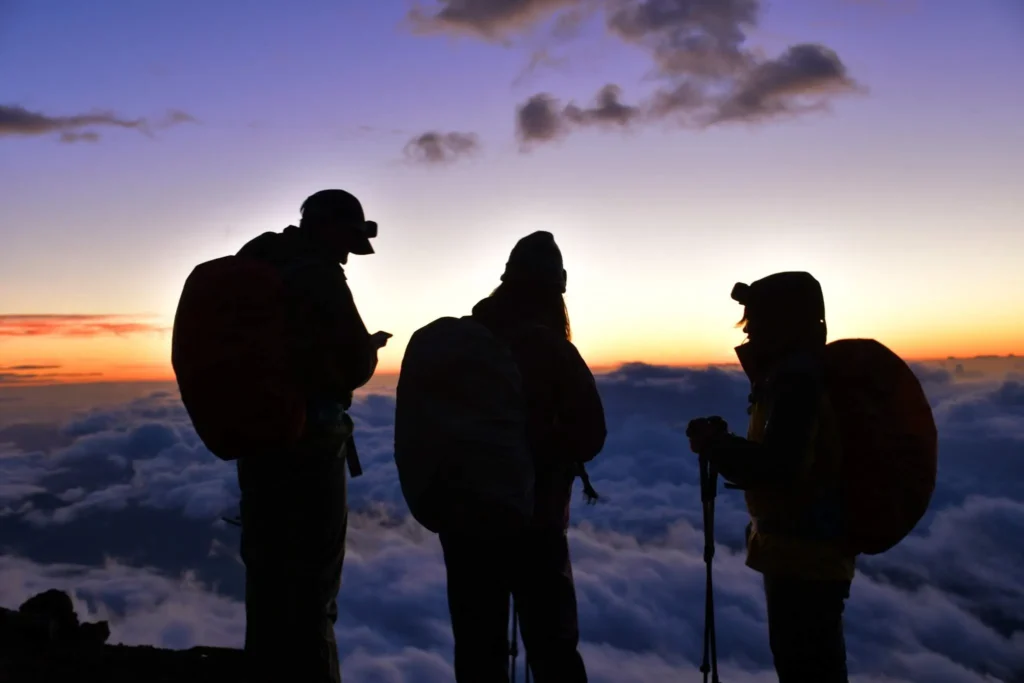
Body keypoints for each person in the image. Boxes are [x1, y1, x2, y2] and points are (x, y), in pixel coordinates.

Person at [235, 189, 390, 683]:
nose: (348, 254)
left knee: (266, 570)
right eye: (347, 241)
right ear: (330, 228)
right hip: (313, 440)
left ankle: (263, 669)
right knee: (313, 583)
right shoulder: (319, 274)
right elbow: (351, 363)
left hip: (258, 435)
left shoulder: (259, 260)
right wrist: (369, 350)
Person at [442, 231, 607, 683]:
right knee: (553, 650)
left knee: (478, 650)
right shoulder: (551, 347)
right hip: (535, 523)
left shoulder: (469, 341)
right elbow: (590, 435)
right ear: (555, 291)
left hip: (466, 520)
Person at [687, 271, 854, 683]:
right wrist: (724, 443)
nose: (749, 331)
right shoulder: (795, 378)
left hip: (804, 558)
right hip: (808, 554)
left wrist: (716, 446)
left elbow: (779, 468)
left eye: (755, 321)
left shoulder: (796, 383)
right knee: (815, 665)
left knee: (806, 668)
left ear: (784, 324)